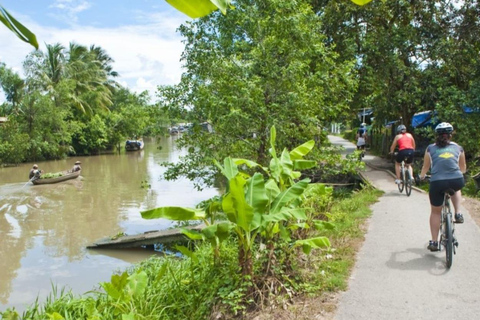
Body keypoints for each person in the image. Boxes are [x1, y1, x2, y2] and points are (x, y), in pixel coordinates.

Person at [419, 122, 466, 252]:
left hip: (437, 182)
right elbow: (463, 168)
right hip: (456, 179)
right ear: (450, 135)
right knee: (456, 187)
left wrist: (422, 176)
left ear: (436, 135)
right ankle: (458, 213)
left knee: (435, 211)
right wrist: (458, 174)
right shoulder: (458, 148)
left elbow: (426, 167)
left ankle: (434, 242)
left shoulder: (430, 148)